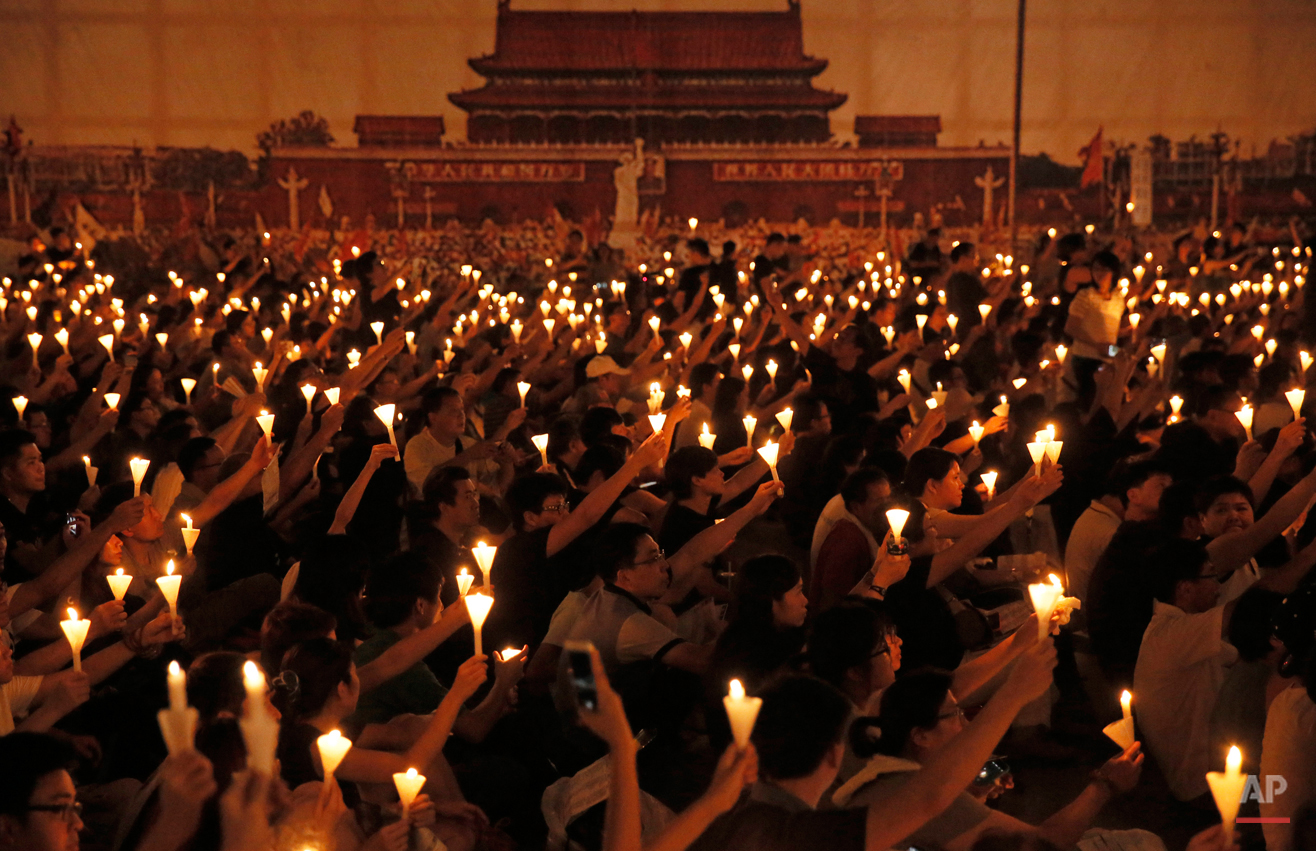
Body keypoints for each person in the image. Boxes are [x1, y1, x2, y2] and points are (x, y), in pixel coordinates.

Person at [685, 637, 1056, 851]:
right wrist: (1012, 695)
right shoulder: (799, 834)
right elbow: (929, 797)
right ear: (835, 752)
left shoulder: (725, 817)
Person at [837, 668, 1145, 851]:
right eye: (955, 715)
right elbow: (1044, 841)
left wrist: (976, 794)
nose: (967, 723)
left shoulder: (887, 769)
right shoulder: (914, 792)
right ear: (920, 736)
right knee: (1142, 841)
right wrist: (1105, 785)